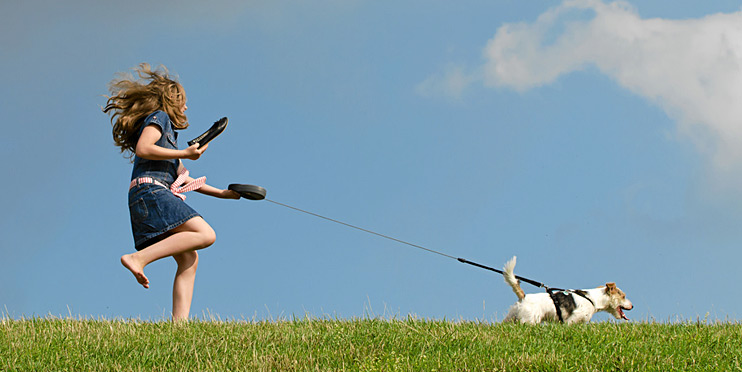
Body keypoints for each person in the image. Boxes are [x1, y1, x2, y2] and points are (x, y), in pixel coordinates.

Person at [103, 63, 239, 321]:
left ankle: (179, 328)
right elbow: (143, 148)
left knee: (189, 258)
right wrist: (184, 153)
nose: (186, 107)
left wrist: (222, 193)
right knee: (205, 234)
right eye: (183, 102)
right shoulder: (159, 118)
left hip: (150, 194)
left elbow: (184, 179)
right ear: (171, 101)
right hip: (150, 192)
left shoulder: (169, 141)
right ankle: (137, 258)